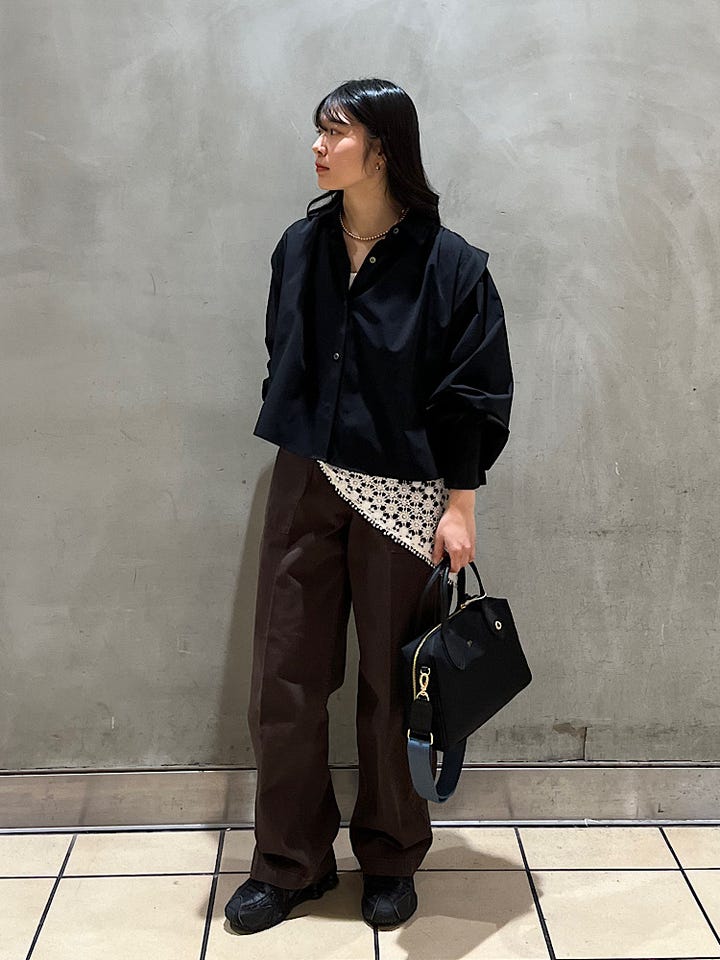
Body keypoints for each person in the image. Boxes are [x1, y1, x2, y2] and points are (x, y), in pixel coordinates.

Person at [224, 78, 513, 934]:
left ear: (381, 149)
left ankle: (390, 857)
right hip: (307, 480)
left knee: (397, 684)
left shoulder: (452, 266)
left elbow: (475, 392)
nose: (318, 146)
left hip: (405, 495)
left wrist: (460, 505)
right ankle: (290, 864)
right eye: (318, 131)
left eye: (335, 131)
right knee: (285, 678)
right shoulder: (300, 246)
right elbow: (282, 350)